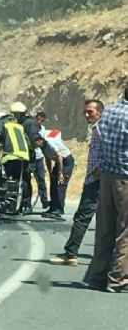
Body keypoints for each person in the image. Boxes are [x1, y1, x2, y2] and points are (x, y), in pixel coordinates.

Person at [50, 99, 104, 266]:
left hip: (97, 181)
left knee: (82, 217)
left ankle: (70, 254)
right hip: (99, 179)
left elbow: (112, 150)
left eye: (91, 112)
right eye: (85, 112)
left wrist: (99, 169)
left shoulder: (101, 128)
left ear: (100, 112)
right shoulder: (97, 128)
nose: (87, 115)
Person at [87, 87, 128, 292]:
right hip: (126, 178)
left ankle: (96, 276)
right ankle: (117, 279)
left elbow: (100, 142)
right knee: (125, 231)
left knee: (105, 228)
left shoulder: (109, 111)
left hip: (107, 176)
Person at [0, 108, 30, 213]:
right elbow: (28, 142)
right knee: (21, 181)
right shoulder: (18, 125)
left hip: (10, 156)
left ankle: (7, 204)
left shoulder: (1, 123)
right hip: (23, 156)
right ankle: (23, 205)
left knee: (6, 181)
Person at [31, 134, 74, 218]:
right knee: (53, 184)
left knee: (60, 184)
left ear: (40, 141)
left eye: (35, 143)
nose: (34, 145)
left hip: (66, 162)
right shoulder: (42, 147)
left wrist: (60, 173)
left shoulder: (50, 144)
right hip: (58, 163)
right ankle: (53, 207)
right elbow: (48, 159)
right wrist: (51, 173)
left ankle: (59, 209)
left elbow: (59, 157)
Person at [33, 111, 49, 209]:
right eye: (37, 119)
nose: (39, 121)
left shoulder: (43, 130)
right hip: (31, 156)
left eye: (41, 120)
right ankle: (25, 202)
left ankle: (44, 200)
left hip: (39, 157)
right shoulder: (31, 128)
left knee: (41, 179)